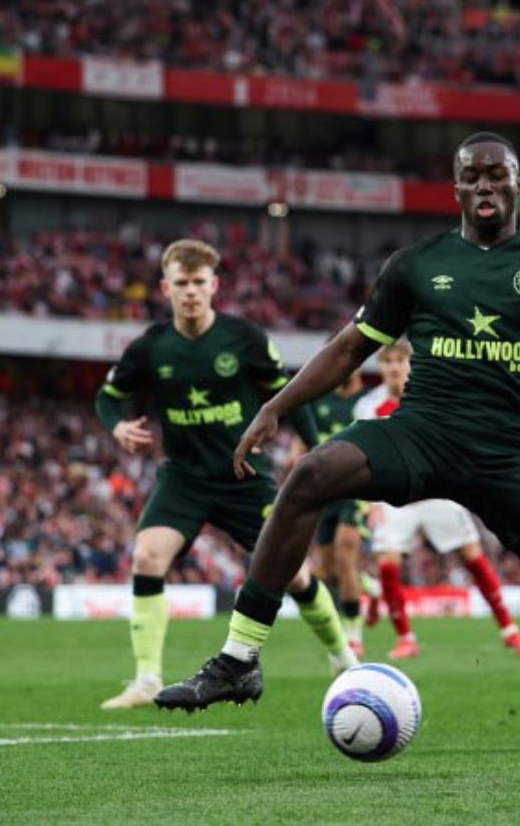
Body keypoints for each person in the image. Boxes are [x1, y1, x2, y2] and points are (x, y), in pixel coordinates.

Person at [156, 133, 520, 752]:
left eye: (496, 175)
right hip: (421, 431)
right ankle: (239, 659)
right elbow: (349, 347)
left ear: (518, 186)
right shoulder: (416, 265)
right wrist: (275, 406)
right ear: (456, 189)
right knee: (310, 474)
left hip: (507, 454)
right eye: (471, 176)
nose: (484, 185)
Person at [96, 238, 354, 710]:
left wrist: (318, 452)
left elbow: (288, 393)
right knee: (147, 557)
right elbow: (108, 396)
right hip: (183, 479)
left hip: (244, 477)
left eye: (198, 282)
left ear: (214, 285)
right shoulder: (151, 347)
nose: (191, 291)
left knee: (296, 577)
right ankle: (147, 679)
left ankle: (343, 659)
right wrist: (116, 426)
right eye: (181, 283)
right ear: (165, 288)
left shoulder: (244, 338)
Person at [365, 342, 520, 661]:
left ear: (410, 363)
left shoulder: (431, 394)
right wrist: (372, 505)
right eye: (387, 361)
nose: (394, 367)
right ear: (380, 367)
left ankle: (510, 631)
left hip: (437, 491)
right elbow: (368, 458)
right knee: (386, 562)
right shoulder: (368, 407)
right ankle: (405, 638)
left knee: (472, 556)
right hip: (396, 497)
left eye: (399, 360)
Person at [305, 367, 371, 656]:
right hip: (325, 491)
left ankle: (354, 634)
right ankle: (367, 584)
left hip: (358, 488)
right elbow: (304, 443)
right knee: (331, 569)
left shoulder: (366, 402)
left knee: (345, 552)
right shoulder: (319, 403)